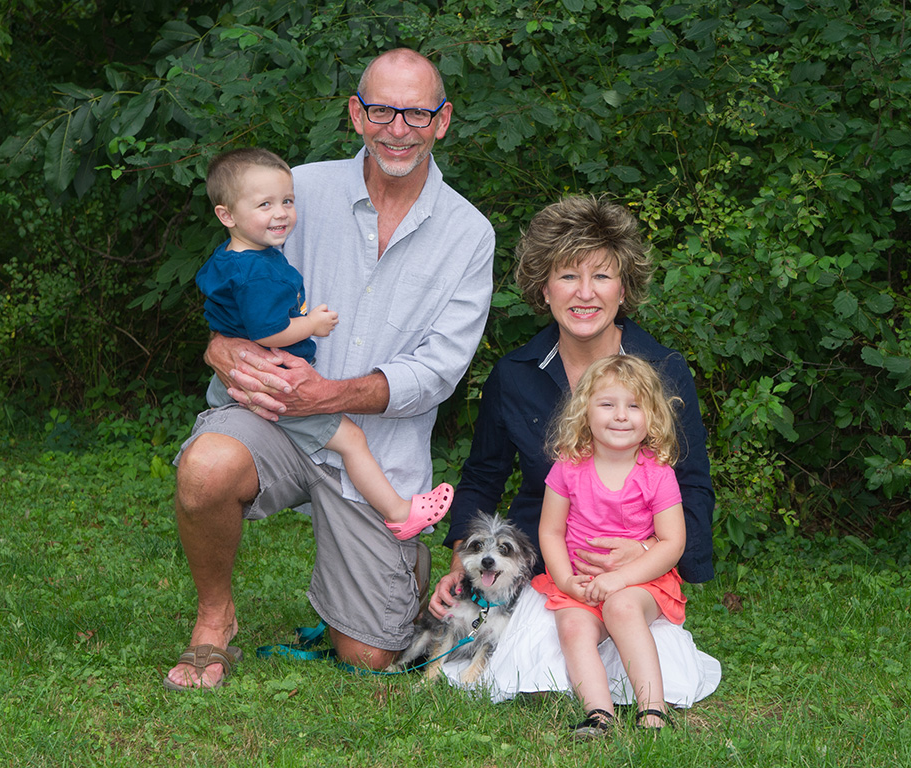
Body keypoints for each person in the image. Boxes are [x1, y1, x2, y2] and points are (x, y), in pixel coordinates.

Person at [165, 48, 495, 690]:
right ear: (356, 114)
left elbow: (439, 370)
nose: (398, 128)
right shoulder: (296, 191)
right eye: (381, 110)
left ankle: (395, 569)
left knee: (368, 657)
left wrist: (331, 394)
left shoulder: (469, 232)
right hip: (273, 416)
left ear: (443, 121)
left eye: (417, 113)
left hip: (376, 452)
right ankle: (214, 619)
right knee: (205, 468)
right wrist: (218, 345)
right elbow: (235, 282)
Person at [432, 194, 714, 616]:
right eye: (567, 276)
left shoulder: (664, 372)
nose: (585, 293)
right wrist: (462, 562)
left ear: (624, 289)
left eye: (601, 276)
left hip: (636, 575)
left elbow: (692, 486)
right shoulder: (513, 376)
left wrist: (646, 550)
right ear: (544, 290)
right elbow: (482, 478)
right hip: (538, 568)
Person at [195, 147, 454, 540]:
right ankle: (400, 512)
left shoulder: (232, 257)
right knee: (351, 440)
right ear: (226, 215)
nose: (280, 213)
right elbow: (267, 333)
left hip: (251, 377)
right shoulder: (257, 273)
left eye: (287, 201)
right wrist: (310, 324)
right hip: (277, 383)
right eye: (265, 204)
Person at [533, 355, 687, 736]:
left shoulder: (658, 474)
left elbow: (672, 543)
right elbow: (550, 531)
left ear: (652, 416)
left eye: (634, 406)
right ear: (584, 412)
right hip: (580, 580)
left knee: (620, 607)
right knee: (572, 626)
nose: (621, 415)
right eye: (607, 404)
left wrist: (620, 580)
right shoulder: (568, 468)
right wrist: (567, 581)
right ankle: (598, 713)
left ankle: (652, 710)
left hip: (641, 582)